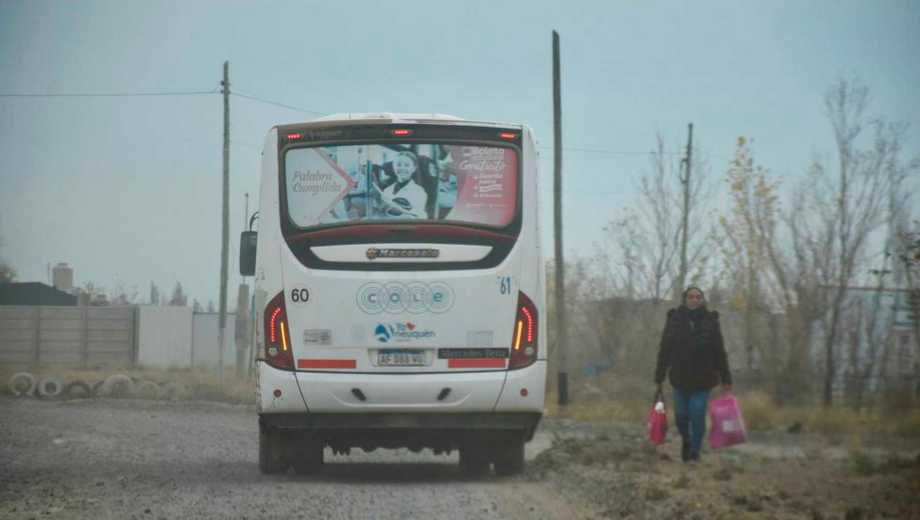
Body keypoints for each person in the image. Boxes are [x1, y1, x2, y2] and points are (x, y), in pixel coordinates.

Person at [654, 286, 732, 463]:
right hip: (680, 377)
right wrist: (659, 375)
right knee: (681, 416)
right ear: (685, 299)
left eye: (698, 297)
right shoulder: (674, 319)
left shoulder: (710, 321)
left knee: (697, 413)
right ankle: (686, 441)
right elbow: (665, 348)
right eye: (691, 297)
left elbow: (719, 351)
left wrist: (726, 378)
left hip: (703, 379)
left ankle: (695, 451)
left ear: (702, 300)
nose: (695, 300)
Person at [375, 151, 428, 219]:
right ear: (394, 167)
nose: (402, 168)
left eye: (407, 165)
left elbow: (418, 217)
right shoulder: (387, 190)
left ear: (414, 168)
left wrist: (394, 209)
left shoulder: (419, 192)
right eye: (399, 164)